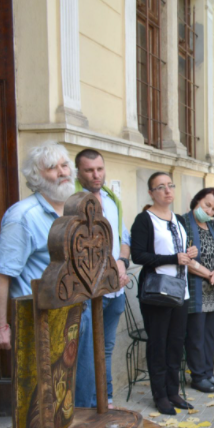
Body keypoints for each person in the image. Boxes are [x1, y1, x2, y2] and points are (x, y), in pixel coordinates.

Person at [0, 142, 75, 350]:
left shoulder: (73, 211)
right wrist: (0, 327)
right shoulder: (22, 217)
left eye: (64, 165)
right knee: (41, 383)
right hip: (39, 318)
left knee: (77, 383)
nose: (62, 172)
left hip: (75, 312)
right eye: (52, 167)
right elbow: (1, 274)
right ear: (36, 177)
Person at [130, 172, 196, 415]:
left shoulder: (178, 219)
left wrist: (190, 253)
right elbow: (138, 255)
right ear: (151, 193)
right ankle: (160, 396)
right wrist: (173, 258)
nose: (167, 191)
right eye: (160, 187)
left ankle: (173, 392)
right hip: (158, 292)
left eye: (170, 185)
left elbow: (179, 252)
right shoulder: (144, 220)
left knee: (176, 343)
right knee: (158, 344)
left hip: (180, 291)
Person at [73, 149, 132, 408]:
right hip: (88, 292)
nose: (96, 175)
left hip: (115, 290)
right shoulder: (72, 200)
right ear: (78, 172)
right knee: (85, 354)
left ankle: (105, 401)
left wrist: (122, 263)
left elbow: (123, 239)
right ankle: (87, 408)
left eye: (99, 169)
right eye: (89, 170)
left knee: (106, 349)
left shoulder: (110, 198)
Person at [182, 188, 214, 394]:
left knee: (210, 333)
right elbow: (185, 258)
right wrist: (209, 274)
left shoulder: (213, 225)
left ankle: (209, 372)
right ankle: (198, 376)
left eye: (213, 209)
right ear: (197, 199)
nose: (209, 211)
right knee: (196, 335)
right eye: (207, 205)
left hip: (213, 288)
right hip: (194, 289)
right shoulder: (183, 223)